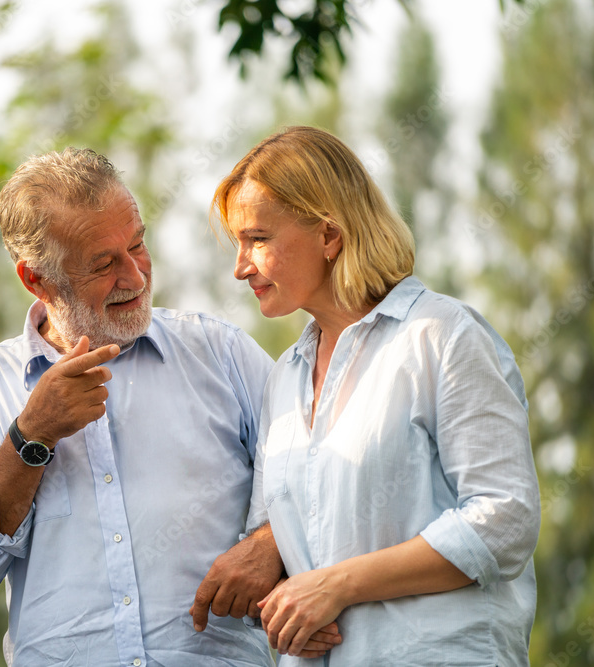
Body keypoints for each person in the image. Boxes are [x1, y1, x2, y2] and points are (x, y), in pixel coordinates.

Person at [0, 148, 342, 665]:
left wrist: (268, 541)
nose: (136, 276)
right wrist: (30, 437)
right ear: (35, 279)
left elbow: (322, 470)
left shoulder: (221, 352)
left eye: (138, 245)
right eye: (104, 264)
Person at [212, 126, 542, 665]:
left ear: (329, 235)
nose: (241, 266)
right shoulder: (284, 379)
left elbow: (504, 519)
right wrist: (281, 609)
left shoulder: (442, 335)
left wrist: (337, 587)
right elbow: (288, 554)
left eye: (258, 239)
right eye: (239, 244)